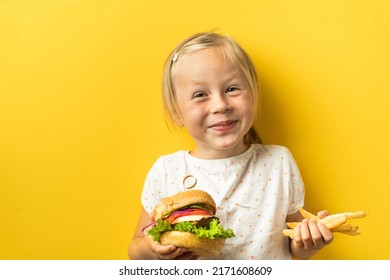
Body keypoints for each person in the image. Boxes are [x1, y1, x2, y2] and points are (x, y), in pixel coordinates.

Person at [128, 32, 333, 260]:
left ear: (253, 93)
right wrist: (151, 250)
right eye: (200, 94)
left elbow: (295, 244)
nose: (220, 105)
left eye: (232, 89)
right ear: (177, 112)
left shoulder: (279, 162)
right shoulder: (166, 170)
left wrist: (309, 243)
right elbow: (136, 248)